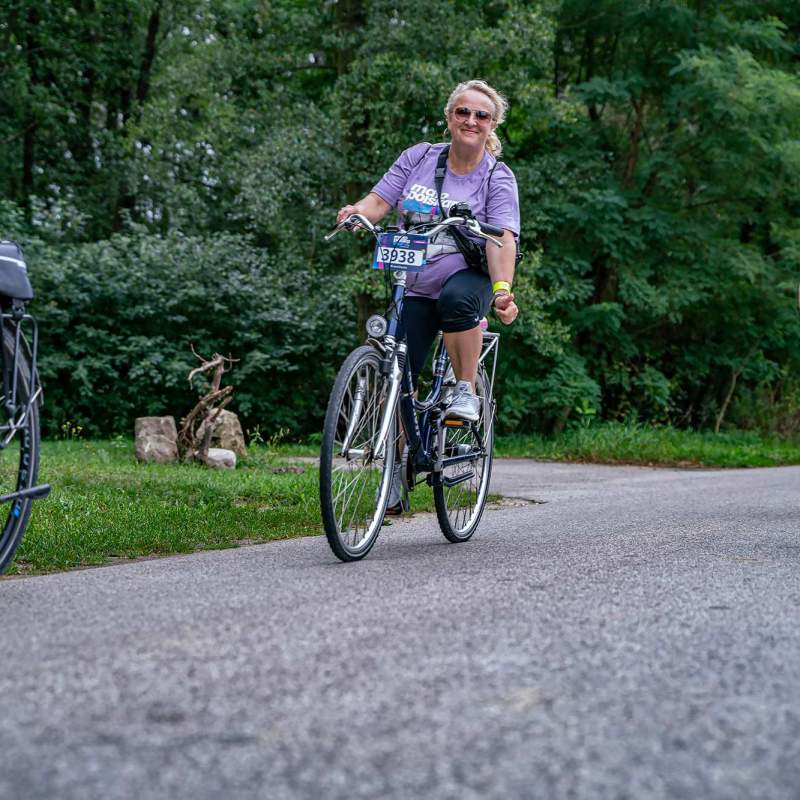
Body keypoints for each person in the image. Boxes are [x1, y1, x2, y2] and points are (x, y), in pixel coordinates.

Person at [337, 80, 520, 511]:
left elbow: (503, 239)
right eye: (462, 112)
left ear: (491, 124)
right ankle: (397, 468)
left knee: (457, 302)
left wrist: (502, 292)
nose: (470, 120)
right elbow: (379, 202)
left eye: (481, 115)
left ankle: (463, 389)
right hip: (413, 282)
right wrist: (356, 212)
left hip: (466, 276)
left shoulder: (496, 175)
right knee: (396, 367)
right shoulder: (418, 157)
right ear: (449, 116)